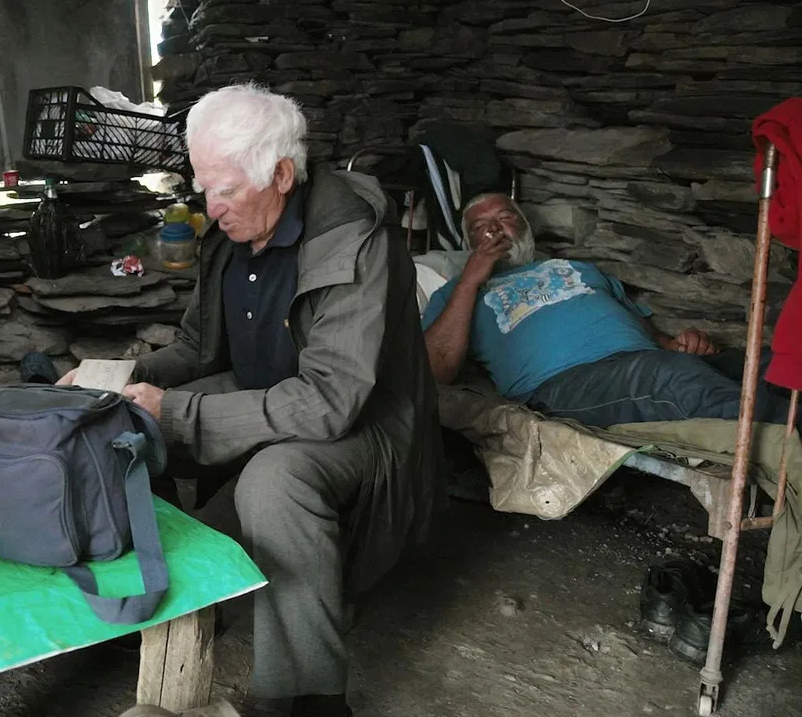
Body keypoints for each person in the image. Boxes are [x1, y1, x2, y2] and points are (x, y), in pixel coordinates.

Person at [58, 84, 442, 717]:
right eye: (204, 188)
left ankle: (308, 696)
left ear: (282, 174)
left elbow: (330, 401)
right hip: (268, 393)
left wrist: (176, 413)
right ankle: (149, 597)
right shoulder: (233, 233)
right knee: (118, 420)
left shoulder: (355, 242)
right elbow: (198, 347)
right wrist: (113, 379)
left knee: (273, 481)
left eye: (226, 190)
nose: (212, 208)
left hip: (368, 425)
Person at [422, 191, 795, 427]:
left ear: (524, 225)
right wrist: (471, 279)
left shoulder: (579, 269)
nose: (495, 230)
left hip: (644, 359)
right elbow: (436, 370)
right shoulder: (457, 292)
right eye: (479, 226)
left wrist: (681, 344)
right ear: (467, 242)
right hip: (563, 385)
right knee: (669, 377)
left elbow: (641, 327)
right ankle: (784, 444)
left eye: (504, 216)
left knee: (766, 363)